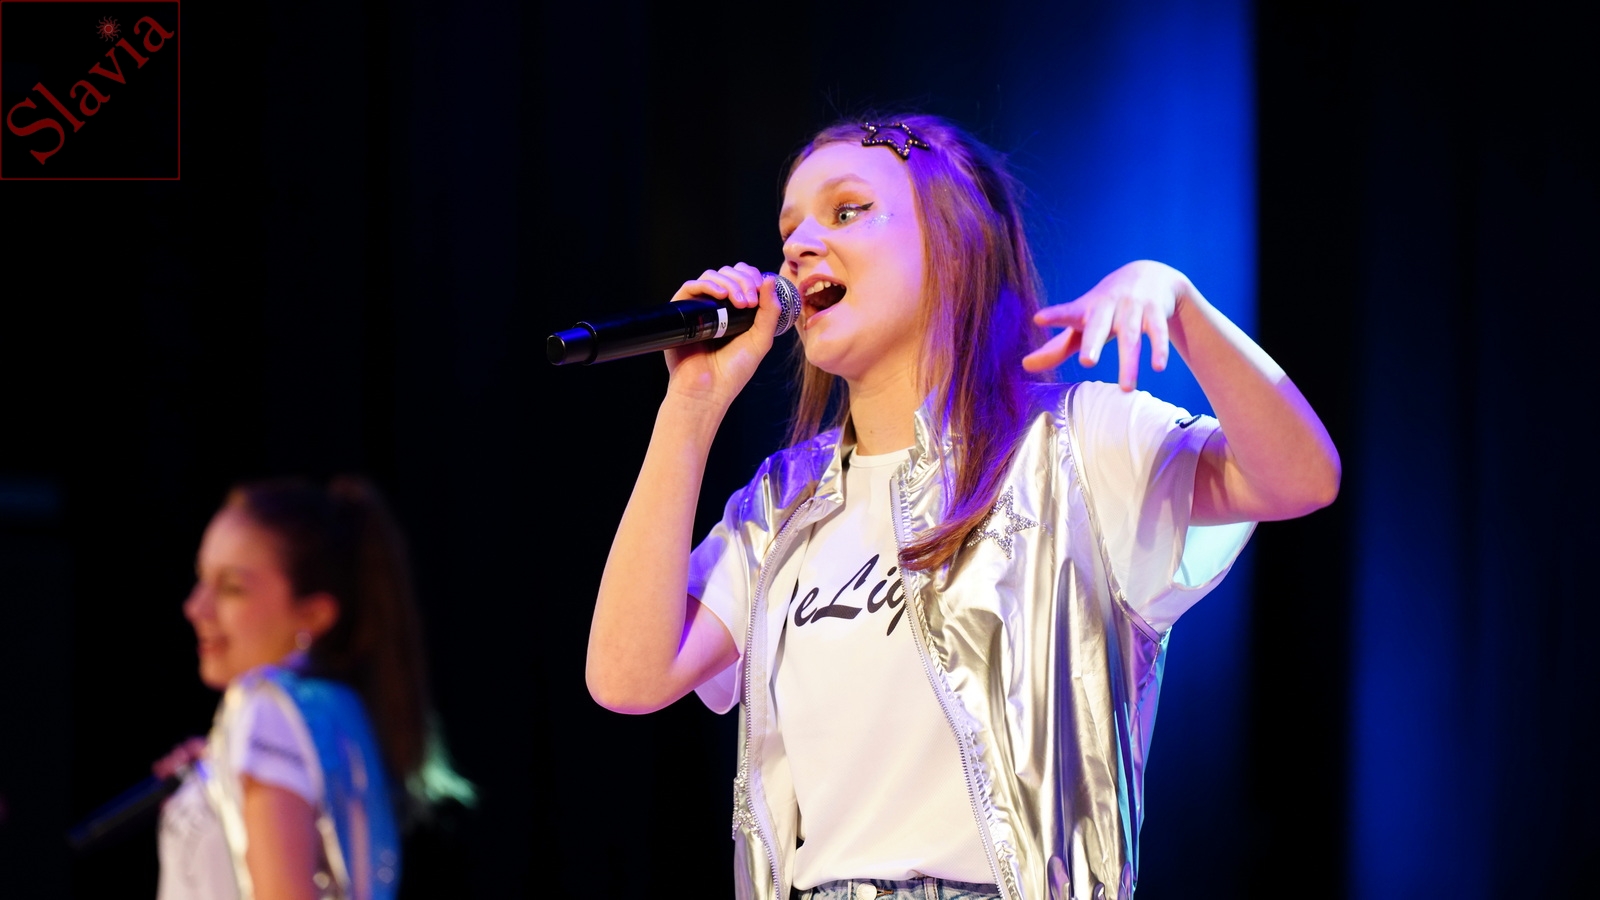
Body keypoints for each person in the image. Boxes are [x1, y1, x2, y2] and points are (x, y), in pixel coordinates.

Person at [586, 114, 1339, 900]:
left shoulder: (1073, 446)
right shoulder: (782, 505)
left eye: (845, 210)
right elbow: (628, 676)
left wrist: (1179, 305)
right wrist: (691, 405)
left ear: (954, 243)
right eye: (790, 229)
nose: (800, 244)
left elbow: (1300, 479)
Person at [155, 476, 473, 900]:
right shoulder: (342, 709)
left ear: (314, 615)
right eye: (202, 580)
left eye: (231, 588)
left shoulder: (263, 706)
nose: (196, 607)